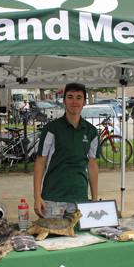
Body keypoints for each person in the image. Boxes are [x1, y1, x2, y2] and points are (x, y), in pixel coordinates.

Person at [33, 83, 100, 219]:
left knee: (80, 239)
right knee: (51, 238)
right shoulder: (51, 129)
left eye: (78, 97)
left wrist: (94, 198)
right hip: (52, 199)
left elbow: (92, 166)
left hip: (80, 199)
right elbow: (40, 163)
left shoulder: (92, 131)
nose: (74, 101)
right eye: (70, 97)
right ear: (64, 101)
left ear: (84, 102)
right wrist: (37, 196)